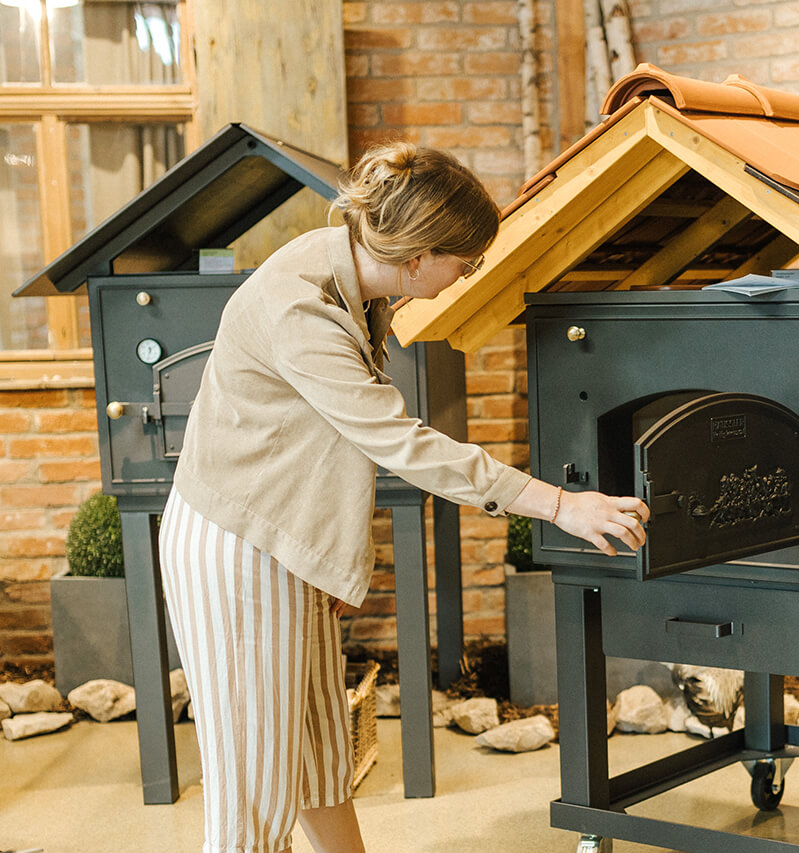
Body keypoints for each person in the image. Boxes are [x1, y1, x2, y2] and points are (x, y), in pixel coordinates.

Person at [158, 141, 650, 853]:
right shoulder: (300, 306)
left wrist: (324, 560)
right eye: (466, 261)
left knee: (321, 760)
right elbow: (401, 443)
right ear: (418, 255)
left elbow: (315, 448)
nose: (467, 275)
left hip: (284, 547)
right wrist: (557, 503)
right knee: (251, 798)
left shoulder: (345, 275)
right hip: (239, 549)